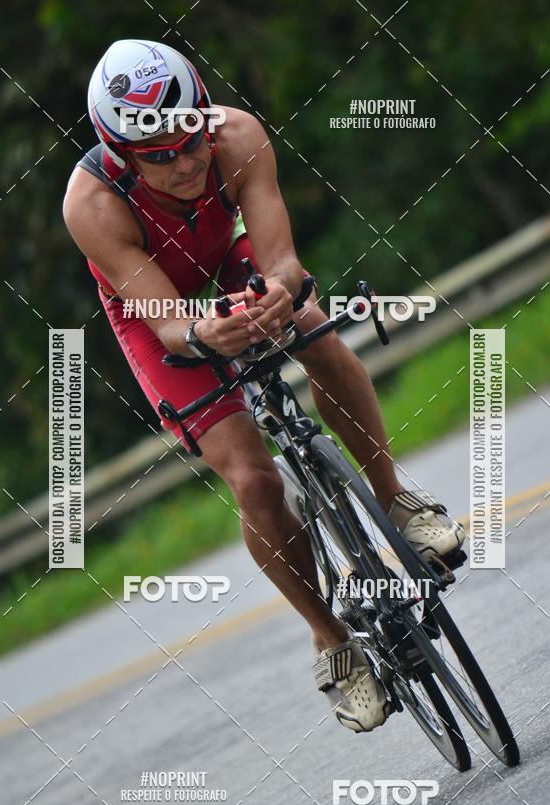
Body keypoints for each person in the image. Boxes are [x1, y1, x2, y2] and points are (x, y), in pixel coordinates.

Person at [63, 39, 465, 733]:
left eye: (190, 138)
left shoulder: (239, 135)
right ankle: (332, 643)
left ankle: (394, 496)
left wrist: (279, 293)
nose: (185, 162)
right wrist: (203, 335)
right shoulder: (92, 205)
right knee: (254, 480)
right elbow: (166, 324)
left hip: (229, 258)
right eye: (159, 155)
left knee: (312, 324)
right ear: (124, 153)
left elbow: (280, 258)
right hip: (159, 311)